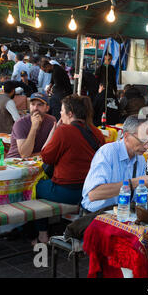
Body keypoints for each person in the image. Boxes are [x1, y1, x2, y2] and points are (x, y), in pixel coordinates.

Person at [33, 94, 105, 244]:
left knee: (36, 187)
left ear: (70, 113)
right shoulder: (97, 133)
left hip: (68, 192)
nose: (60, 113)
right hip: (90, 190)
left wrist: (54, 131)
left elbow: (46, 157)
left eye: (62, 110)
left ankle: (42, 234)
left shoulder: (63, 131)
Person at [81, 115, 148, 212]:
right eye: (143, 141)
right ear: (126, 136)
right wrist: (134, 182)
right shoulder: (108, 152)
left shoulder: (140, 159)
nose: (146, 146)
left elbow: (136, 196)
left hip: (122, 211)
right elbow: (93, 194)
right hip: (97, 214)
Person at [6, 92, 56, 158]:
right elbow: (24, 154)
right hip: (16, 162)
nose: (35, 108)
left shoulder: (51, 121)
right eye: (33, 104)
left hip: (38, 161)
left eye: (40, 105)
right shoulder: (20, 123)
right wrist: (34, 128)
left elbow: (53, 148)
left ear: (47, 108)